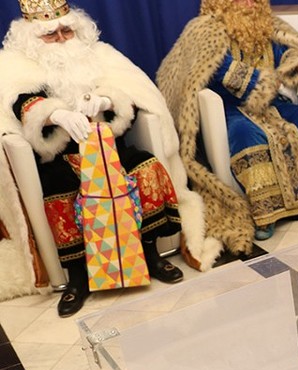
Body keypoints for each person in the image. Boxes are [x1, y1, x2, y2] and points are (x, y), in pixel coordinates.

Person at [0, 0, 210, 317]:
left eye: (66, 30)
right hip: (60, 155)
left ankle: (150, 256)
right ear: (32, 37)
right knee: (58, 190)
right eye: (50, 34)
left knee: (147, 168)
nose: (61, 38)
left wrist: (108, 100)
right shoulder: (16, 65)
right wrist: (55, 115)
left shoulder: (99, 54)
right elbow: (20, 102)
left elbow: (132, 93)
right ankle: (78, 279)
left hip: (108, 144)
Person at [157, 0, 298, 250]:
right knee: (246, 133)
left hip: (274, 104)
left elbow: (288, 52)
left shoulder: (266, 26)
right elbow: (219, 68)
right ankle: (266, 213)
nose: (250, 3)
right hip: (232, 109)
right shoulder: (205, 30)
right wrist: (268, 82)